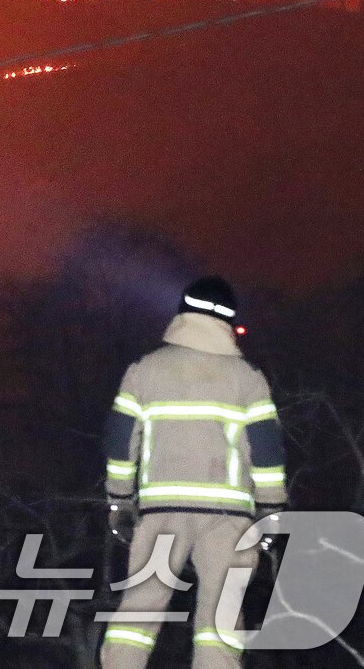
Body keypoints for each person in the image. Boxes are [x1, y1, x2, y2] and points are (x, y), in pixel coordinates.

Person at [101, 276, 286, 669]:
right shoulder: (248, 378)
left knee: (140, 608)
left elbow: (120, 438)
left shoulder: (144, 370)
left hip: (161, 510)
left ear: (182, 312)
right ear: (228, 321)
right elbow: (267, 451)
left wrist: (118, 499)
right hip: (229, 517)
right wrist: (271, 512)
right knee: (221, 615)